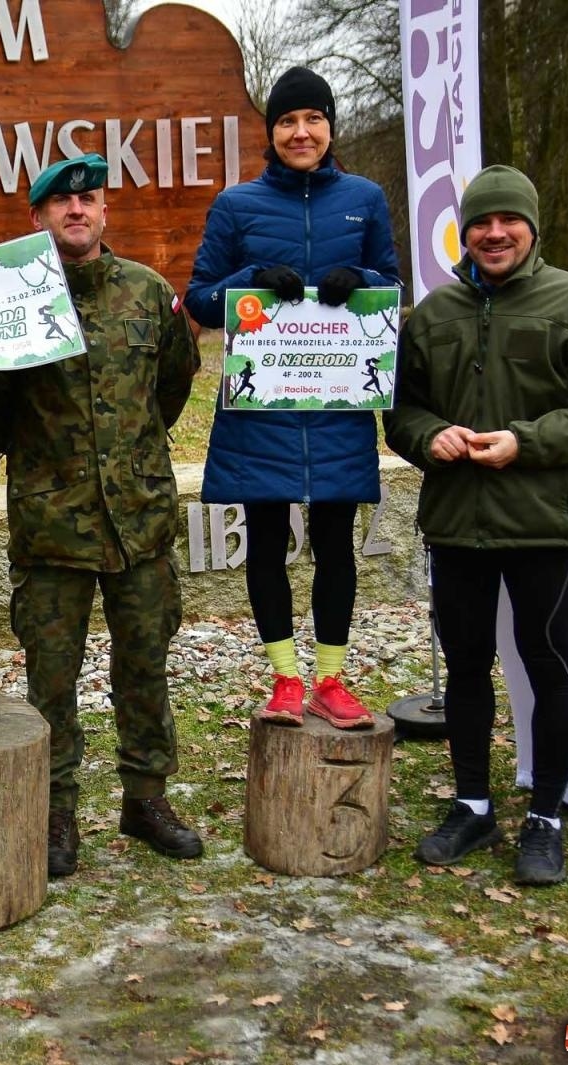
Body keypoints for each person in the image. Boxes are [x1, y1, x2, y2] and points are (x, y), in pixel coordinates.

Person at [384, 165, 568, 885]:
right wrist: (427, 435)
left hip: (544, 522)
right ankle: (472, 805)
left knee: (548, 664)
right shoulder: (434, 316)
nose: (494, 233)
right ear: (464, 232)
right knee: (466, 667)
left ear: (532, 227)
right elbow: (401, 411)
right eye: (480, 223)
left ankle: (546, 818)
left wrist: (525, 442)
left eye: (508, 221)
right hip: (456, 524)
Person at [0, 154, 201, 877]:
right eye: (61, 203)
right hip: (52, 526)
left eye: (90, 200)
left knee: (145, 665)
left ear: (105, 212)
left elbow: (172, 386)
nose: (77, 211)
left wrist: (129, 457)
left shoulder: (148, 294)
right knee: (52, 679)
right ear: (39, 218)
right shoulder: (11, 301)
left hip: (138, 521)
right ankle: (55, 814)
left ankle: (145, 799)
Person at [184, 66, 402, 729]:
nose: (300, 132)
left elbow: (390, 287)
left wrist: (357, 278)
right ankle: (284, 678)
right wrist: (249, 281)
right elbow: (199, 298)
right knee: (268, 539)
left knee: (337, 544)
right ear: (271, 132)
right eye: (287, 121)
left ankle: (331, 681)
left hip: (335, 405)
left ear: (330, 127)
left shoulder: (364, 198)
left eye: (312, 119)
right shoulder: (237, 206)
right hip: (264, 407)